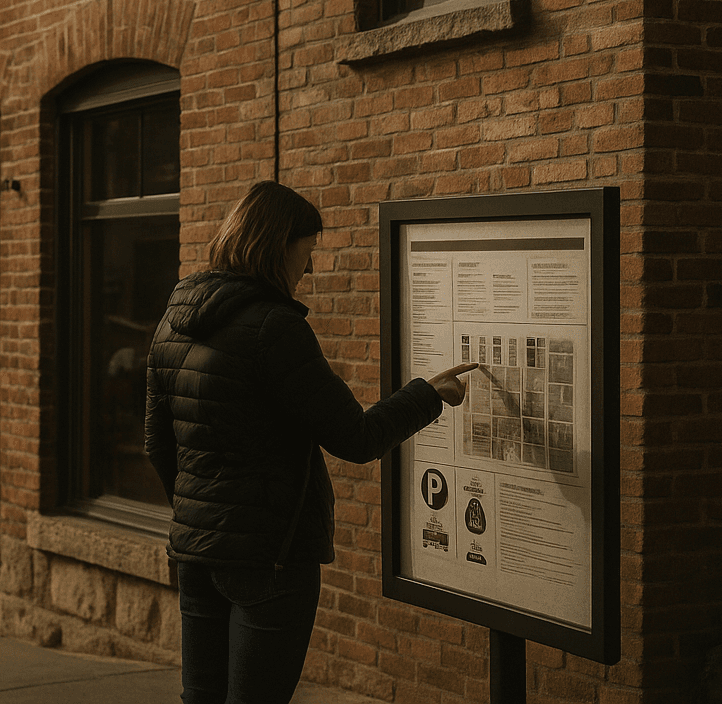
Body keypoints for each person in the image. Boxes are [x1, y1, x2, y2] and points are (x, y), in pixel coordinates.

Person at [144, 181, 476, 704]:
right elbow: (356, 436)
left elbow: (157, 444)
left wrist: (201, 514)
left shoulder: (173, 322)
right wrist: (427, 395)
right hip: (271, 558)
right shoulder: (274, 327)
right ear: (279, 245)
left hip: (197, 553)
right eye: (309, 251)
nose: (312, 268)